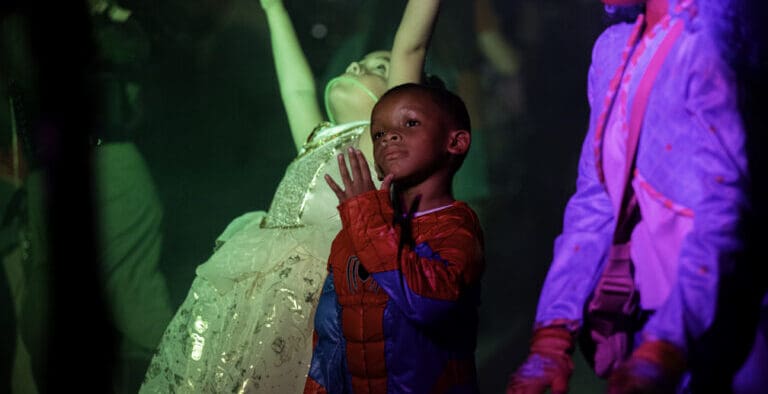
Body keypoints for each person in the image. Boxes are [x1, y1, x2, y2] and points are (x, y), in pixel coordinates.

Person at [140, 1, 442, 393]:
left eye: (379, 68)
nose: (356, 66)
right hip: (257, 289)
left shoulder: (377, 143)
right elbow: (296, 88)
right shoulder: (321, 137)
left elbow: (410, 46)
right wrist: (273, 8)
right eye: (359, 61)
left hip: (309, 296)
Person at [506, 0, 762, 393]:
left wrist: (665, 346)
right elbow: (595, 199)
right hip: (650, 319)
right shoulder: (614, 48)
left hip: (726, 320)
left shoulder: (709, 41)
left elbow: (728, 206)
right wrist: (552, 337)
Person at [305, 83, 485, 393]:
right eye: (378, 134)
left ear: (455, 142)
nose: (389, 136)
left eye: (410, 123)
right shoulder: (353, 232)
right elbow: (329, 341)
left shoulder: (457, 230)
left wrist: (364, 217)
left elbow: (428, 304)